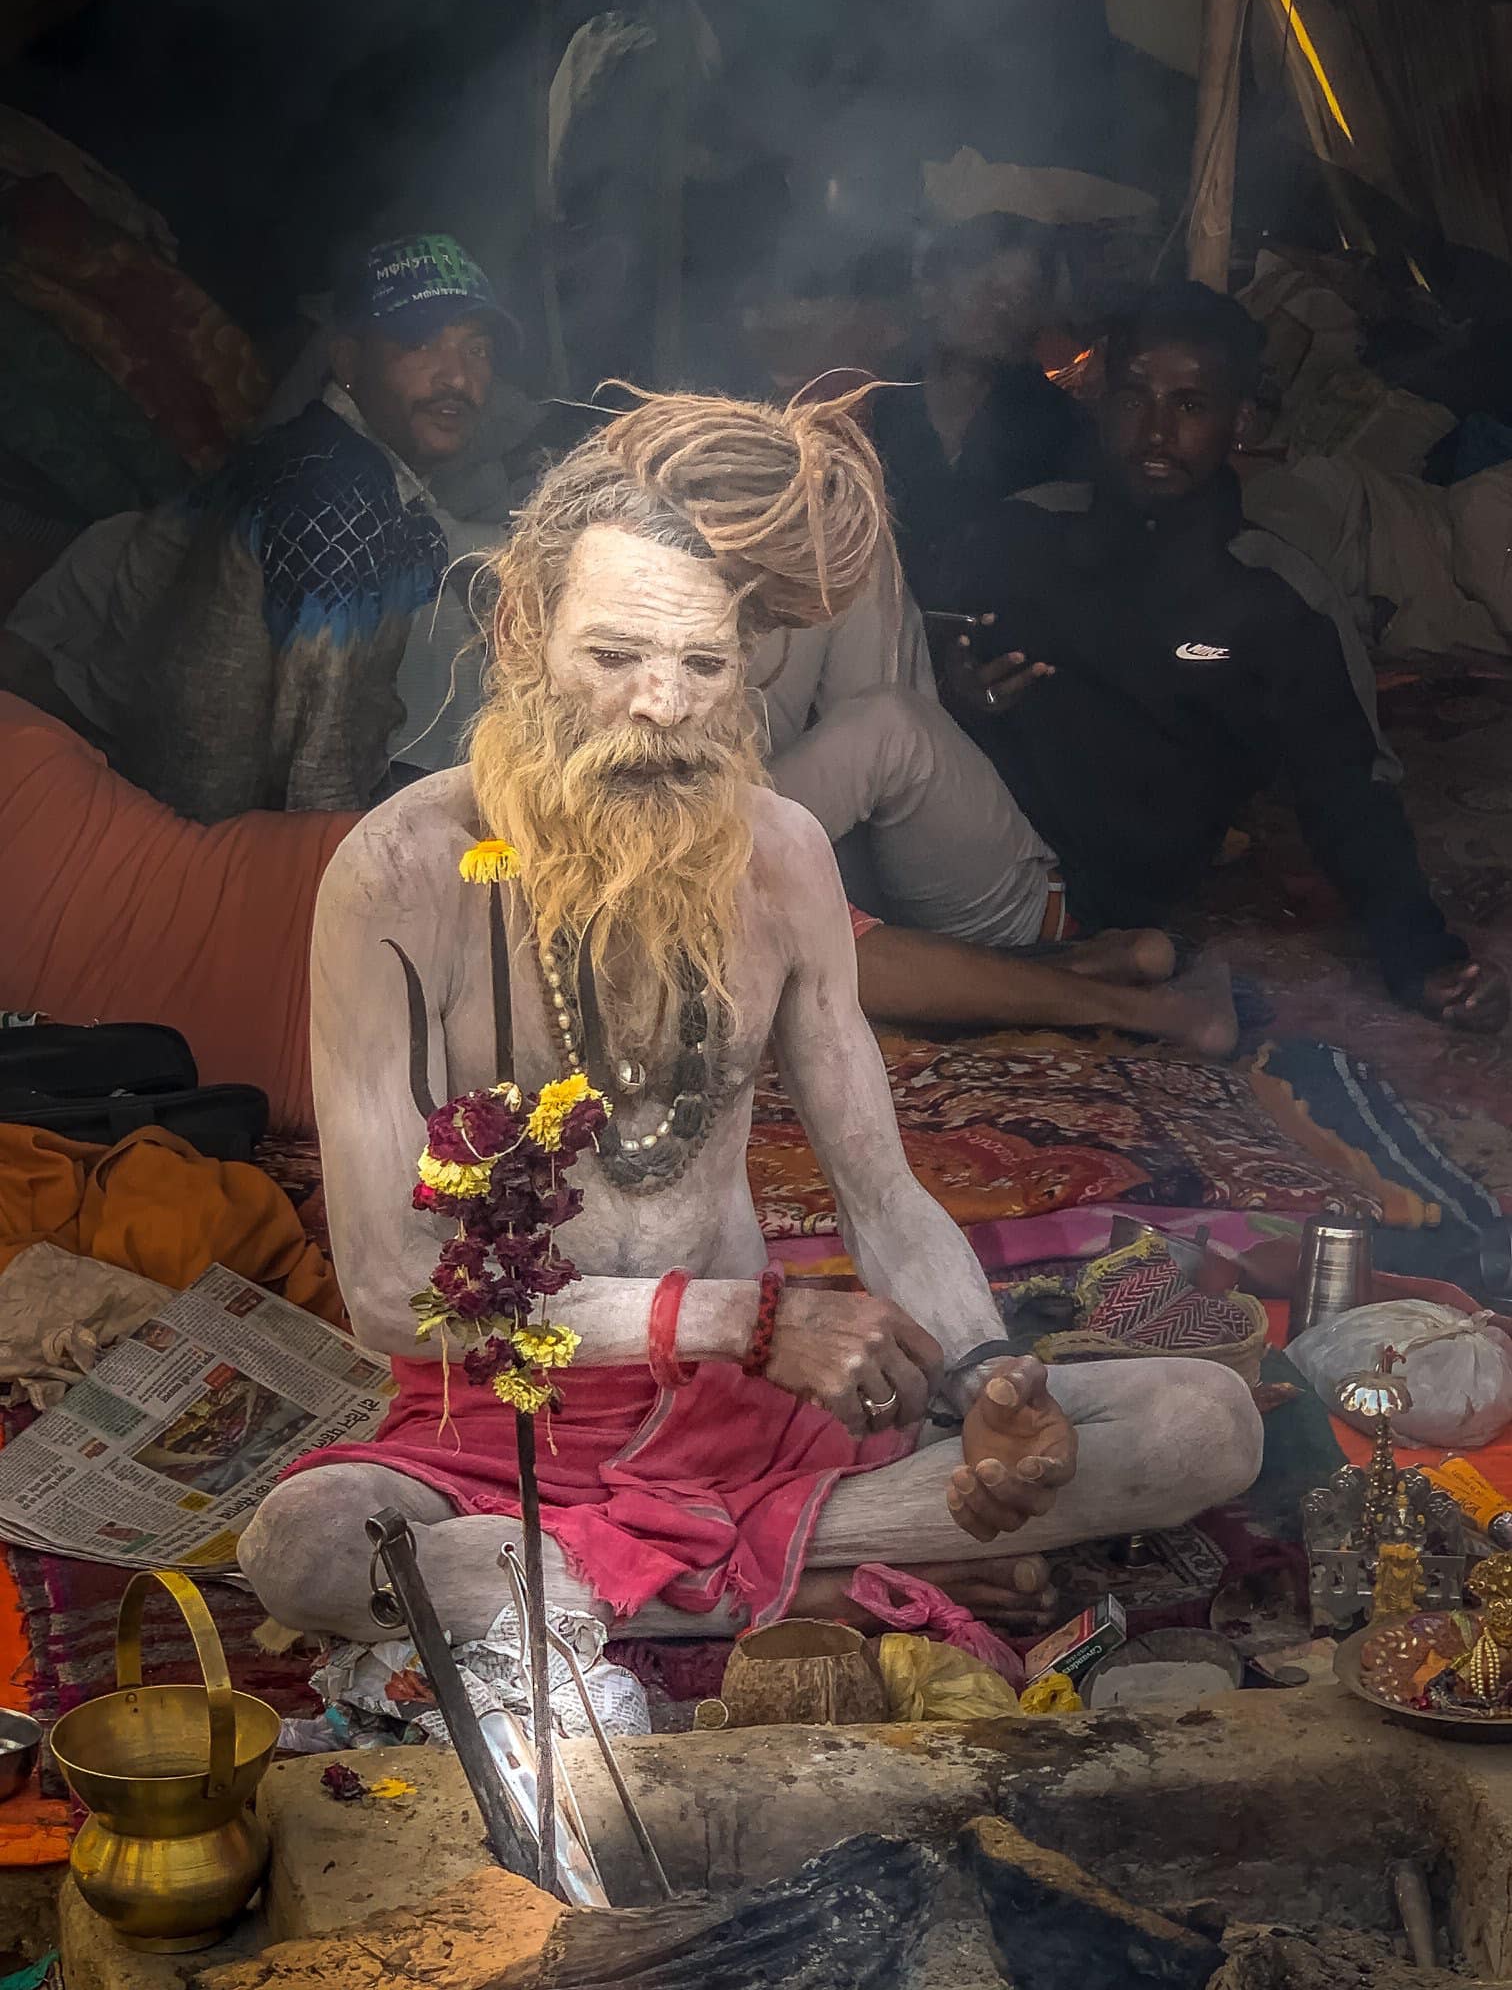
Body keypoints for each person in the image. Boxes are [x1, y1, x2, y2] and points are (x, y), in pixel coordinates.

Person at [238, 388, 1262, 1648]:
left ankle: (680, 1585)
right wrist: (742, 1319)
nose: (663, 705)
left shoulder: (780, 857)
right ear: (520, 632)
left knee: (1209, 1422)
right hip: (504, 1430)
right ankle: (810, 1579)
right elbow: (397, 1296)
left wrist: (987, 1381)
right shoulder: (398, 870)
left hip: (749, 1426)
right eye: (614, 657)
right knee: (312, 1545)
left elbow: (882, 1199)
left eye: (705, 664)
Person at [936, 281, 1508, 1036]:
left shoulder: (1276, 597)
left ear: (1239, 423)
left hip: (1103, 889)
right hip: (958, 847)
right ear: (1102, 403)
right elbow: (923, 649)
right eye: (1136, 399)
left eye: (1190, 406)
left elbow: (1349, 787)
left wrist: (1419, 954)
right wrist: (955, 689)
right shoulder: (1021, 532)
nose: (1155, 434)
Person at [2, 234, 506, 821]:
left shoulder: (342, 462)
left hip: (92, 661)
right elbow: (303, 788)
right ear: (346, 361)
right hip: (83, 731)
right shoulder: (337, 498)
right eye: (421, 342)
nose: (459, 379)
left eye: (478, 350)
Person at [868, 212, 1090, 611]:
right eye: (986, 286)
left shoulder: (1066, 432)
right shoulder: (869, 408)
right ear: (932, 292)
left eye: (1021, 295)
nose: (1002, 306)